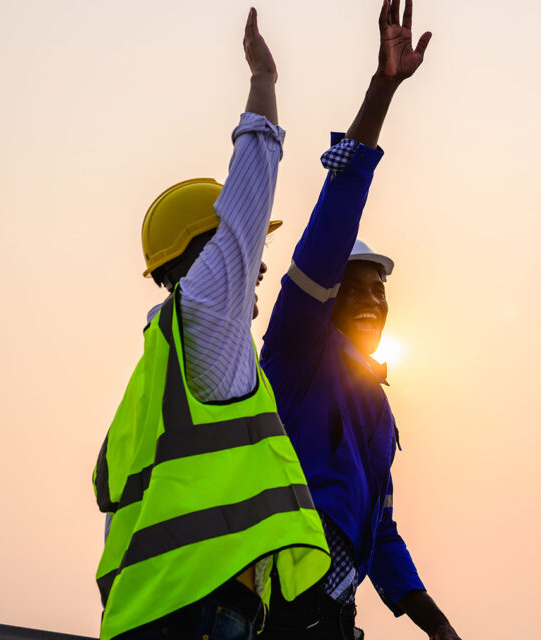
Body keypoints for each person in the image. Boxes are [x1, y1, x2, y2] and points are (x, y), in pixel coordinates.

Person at [92, 10, 329, 640]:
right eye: (247, 257)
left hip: (151, 612)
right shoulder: (205, 318)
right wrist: (264, 84)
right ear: (207, 258)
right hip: (199, 613)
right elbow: (246, 205)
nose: (257, 269)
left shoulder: (160, 366)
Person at [259, 1, 461, 639]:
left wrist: (436, 624)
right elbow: (334, 219)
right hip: (277, 600)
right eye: (357, 287)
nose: (374, 300)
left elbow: (380, 532)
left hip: (332, 617)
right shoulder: (297, 351)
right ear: (328, 294)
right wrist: (382, 91)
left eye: (381, 290)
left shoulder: (373, 402)